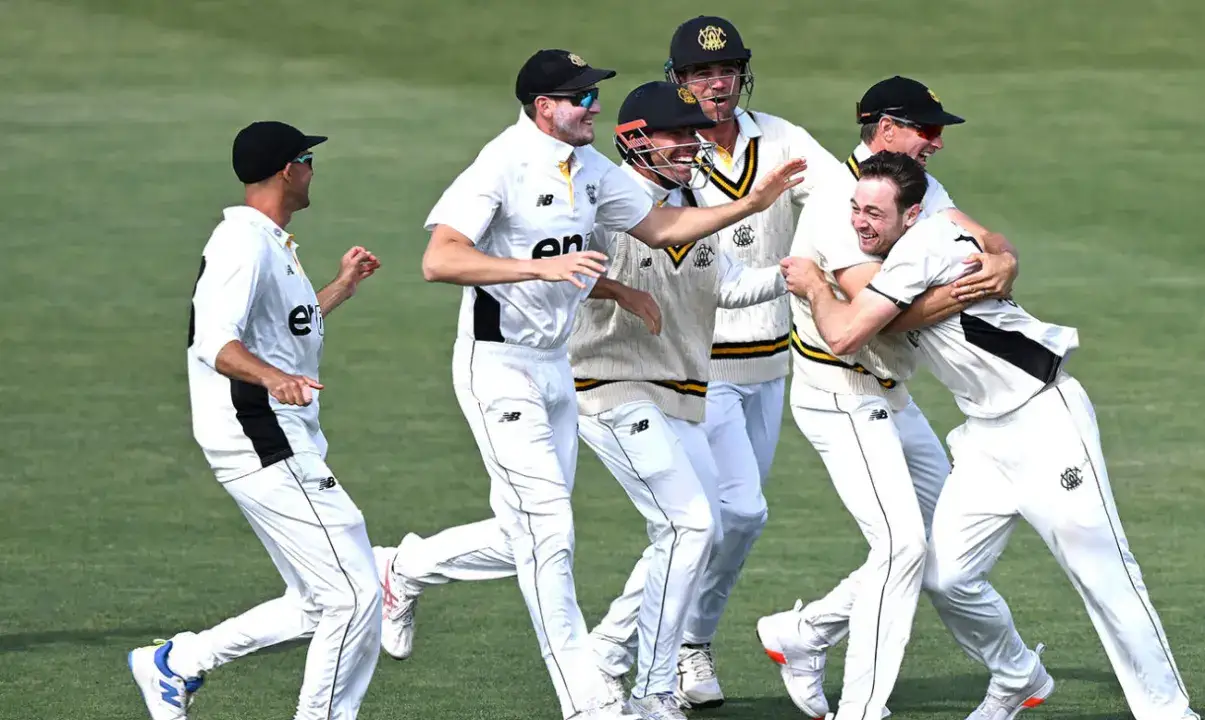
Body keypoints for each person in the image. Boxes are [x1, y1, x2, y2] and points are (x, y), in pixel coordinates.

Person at [377, 49, 806, 720]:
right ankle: (593, 698)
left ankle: (404, 567)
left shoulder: (593, 170)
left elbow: (660, 228)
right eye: (581, 97)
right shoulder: (501, 164)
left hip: (554, 366)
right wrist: (539, 270)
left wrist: (752, 205)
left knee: (525, 533)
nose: (594, 106)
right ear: (544, 106)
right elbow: (441, 260)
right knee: (561, 533)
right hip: (501, 365)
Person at [781, 151, 1200, 720]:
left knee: (1104, 573)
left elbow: (846, 336)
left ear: (911, 215)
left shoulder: (921, 247)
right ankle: (1014, 680)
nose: (860, 223)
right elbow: (975, 238)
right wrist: (1003, 255)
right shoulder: (924, 237)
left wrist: (813, 285)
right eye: (856, 209)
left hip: (1046, 422)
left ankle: (1170, 713)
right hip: (983, 437)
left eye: (874, 214)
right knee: (945, 577)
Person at [755, 77, 1034, 720]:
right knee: (902, 548)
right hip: (840, 394)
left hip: (890, 395)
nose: (937, 142)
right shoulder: (845, 202)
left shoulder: (919, 189)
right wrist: (968, 289)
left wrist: (1006, 263)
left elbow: (987, 241)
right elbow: (878, 318)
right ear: (885, 129)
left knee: (944, 543)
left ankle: (807, 635)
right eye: (925, 129)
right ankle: (862, 707)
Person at [128, 121, 383, 720]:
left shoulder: (271, 242)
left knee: (319, 599)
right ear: (288, 170)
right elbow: (214, 342)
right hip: (261, 436)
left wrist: (340, 289)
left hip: (277, 435)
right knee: (354, 594)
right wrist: (272, 379)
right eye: (308, 159)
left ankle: (176, 663)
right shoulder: (241, 243)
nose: (313, 170)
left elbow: (282, 328)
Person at [632, 16, 844, 707]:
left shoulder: (779, 139)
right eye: (700, 73)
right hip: (698, 365)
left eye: (725, 70)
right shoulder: (669, 153)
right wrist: (795, 273)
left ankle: (666, 643)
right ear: (679, 80)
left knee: (725, 521)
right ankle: (670, 646)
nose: (715, 83)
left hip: (770, 362)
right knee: (729, 516)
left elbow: (841, 198)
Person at [569, 81, 791, 720]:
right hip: (608, 384)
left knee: (703, 529)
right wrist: (617, 290)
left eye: (696, 133)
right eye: (677, 134)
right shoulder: (601, 202)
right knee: (689, 525)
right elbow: (554, 275)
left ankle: (606, 652)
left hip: (681, 394)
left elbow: (727, 288)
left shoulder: (694, 204)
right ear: (636, 139)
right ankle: (653, 691)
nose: (693, 145)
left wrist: (794, 274)